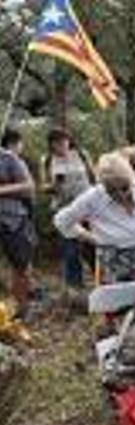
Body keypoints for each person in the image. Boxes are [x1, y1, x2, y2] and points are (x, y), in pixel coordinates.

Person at [53, 153, 135, 285]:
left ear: (131, 179)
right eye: (111, 190)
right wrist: (88, 236)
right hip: (115, 262)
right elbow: (61, 221)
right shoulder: (93, 197)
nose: (120, 195)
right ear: (103, 185)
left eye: (124, 188)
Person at [38, 129, 92, 293]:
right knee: (70, 249)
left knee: (93, 245)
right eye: (56, 142)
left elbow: (94, 175)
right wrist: (54, 186)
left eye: (63, 140)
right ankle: (74, 287)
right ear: (51, 145)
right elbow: (43, 186)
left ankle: (102, 278)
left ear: (69, 140)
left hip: (87, 206)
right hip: (64, 209)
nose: (61, 145)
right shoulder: (47, 160)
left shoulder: (82, 154)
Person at [0, 130, 36, 316]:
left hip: (10, 220)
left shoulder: (8, 158)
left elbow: (29, 186)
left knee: (20, 265)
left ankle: (21, 310)